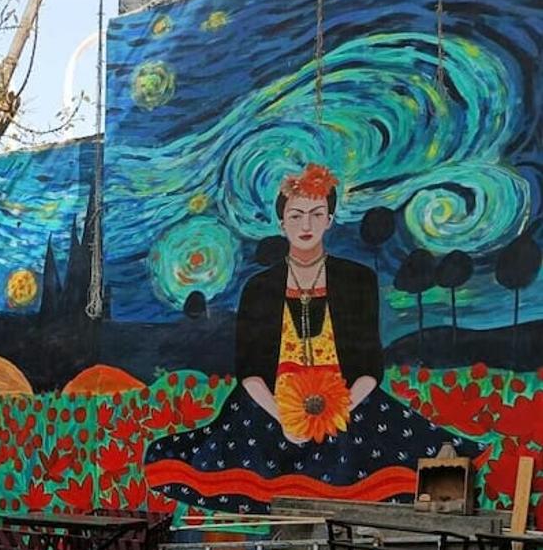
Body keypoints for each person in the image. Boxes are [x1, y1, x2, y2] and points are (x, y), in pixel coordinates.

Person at [144, 164, 477, 513]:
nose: (306, 226)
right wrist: (284, 417)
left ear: (329, 220)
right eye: (296, 215)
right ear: (281, 222)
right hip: (271, 405)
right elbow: (250, 373)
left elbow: (369, 369)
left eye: (316, 214)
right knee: (229, 460)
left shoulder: (357, 280)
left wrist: (337, 413)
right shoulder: (259, 288)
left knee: (404, 455)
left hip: (347, 402)